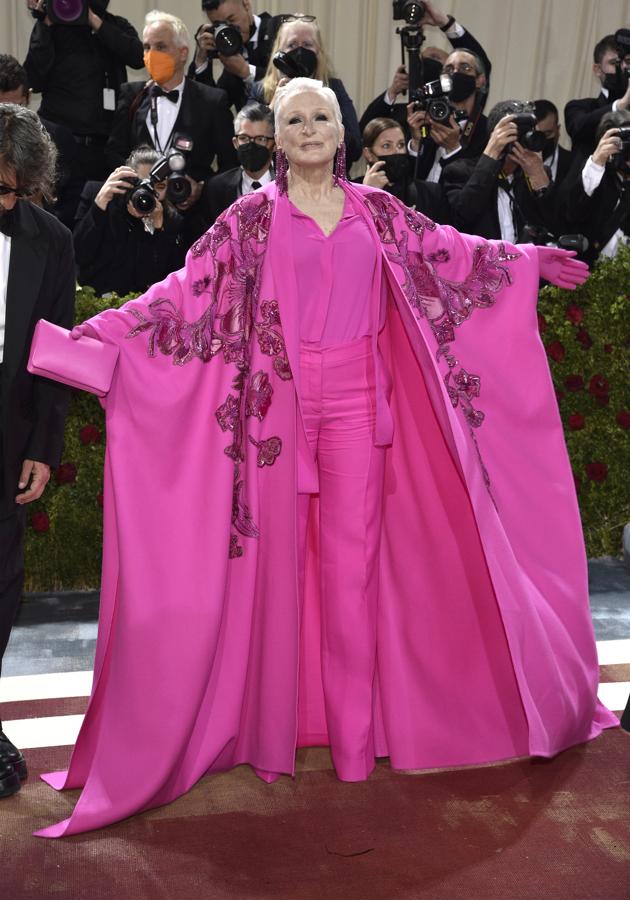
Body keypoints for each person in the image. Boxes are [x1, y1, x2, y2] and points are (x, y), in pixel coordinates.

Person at [33, 78, 616, 839]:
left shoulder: (380, 212)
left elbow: (454, 256)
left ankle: (354, 743)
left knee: (352, 571)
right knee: (271, 572)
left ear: (342, 134)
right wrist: (87, 340)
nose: (309, 129)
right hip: (273, 416)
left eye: (321, 118)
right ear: (276, 139)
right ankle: (270, 729)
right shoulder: (249, 220)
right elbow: (183, 296)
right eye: (294, 120)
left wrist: (528, 260)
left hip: (358, 408)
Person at [0, 105, 75, 800]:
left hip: (9, 432)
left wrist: (44, 448)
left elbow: (55, 358)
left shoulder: (50, 241)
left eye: (18, 191)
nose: (8, 202)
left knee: (1, 585)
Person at [23, 0, 144, 221]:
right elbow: (33, 79)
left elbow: (138, 57)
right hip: (61, 145)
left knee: (102, 219)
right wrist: (46, 22)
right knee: (58, 218)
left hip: (104, 148)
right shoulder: (53, 27)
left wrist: (94, 21)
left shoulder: (114, 25)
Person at [105, 10, 237, 178]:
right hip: (140, 192)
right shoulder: (131, 95)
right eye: (147, 47)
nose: (151, 54)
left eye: (161, 47)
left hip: (191, 194)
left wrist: (202, 187)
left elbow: (229, 165)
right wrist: (135, 180)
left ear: (183, 53)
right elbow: (114, 153)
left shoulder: (212, 100)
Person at [358, 0, 492, 137]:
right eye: (423, 60)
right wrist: (392, 92)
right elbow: (364, 134)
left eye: (436, 58)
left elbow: (478, 61)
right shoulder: (409, 114)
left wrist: (445, 23)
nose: (428, 63)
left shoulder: (471, 115)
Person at [73, 146, 188, 297]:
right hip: (95, 301)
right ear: (126, 180)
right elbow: (79, 255)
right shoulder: (99, 195)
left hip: (140, 304)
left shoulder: (171, 219)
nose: (148, 193)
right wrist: (98, 206)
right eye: (142, 185)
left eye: (159, 187)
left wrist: (158, 230)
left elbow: (157, 281)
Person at [250, 14, 362, 165]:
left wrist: (323, 109)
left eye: (307, 45)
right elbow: (249, 147)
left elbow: (355, 148)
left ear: (319, 52)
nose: (300, 51)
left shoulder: (334, 88)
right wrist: (271, 109)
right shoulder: (260, 90)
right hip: (279, 176)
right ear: (279, 52)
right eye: (292, 45)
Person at [443, 100, 561, 242]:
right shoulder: (461, 171)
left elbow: (556, 226)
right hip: (480, 254)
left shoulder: (536, 173)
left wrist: (539, 177)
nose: (522, 139)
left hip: (525, 255)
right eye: (515, 132)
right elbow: (461, 218)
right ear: (495, 136)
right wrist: (491, 155)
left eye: (528, 132)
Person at [0, 53, 78, 227]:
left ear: (28, 97)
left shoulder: (58, 138)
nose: (5, 119)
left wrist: (39, 205)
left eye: (15, 108)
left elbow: (70, 206)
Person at [558, 110, 630, 264]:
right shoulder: (594, 172)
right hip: (588, 268)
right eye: (624, 145)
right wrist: (597, 162)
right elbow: (573, 211)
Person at [360, 116, 450, 222]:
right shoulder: (351, 192)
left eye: (401, 145)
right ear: (369, 154)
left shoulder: (430, 193)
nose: (397, 151)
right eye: (386, 146)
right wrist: (367, 194)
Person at [190, 0, 275, 111]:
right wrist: (201, 61)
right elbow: (214, 108)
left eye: (231, 20)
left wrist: (245, 71)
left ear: (246, 5)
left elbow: (289, 84)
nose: (228, 30)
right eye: (220, 25)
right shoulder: (231, 53)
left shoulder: (279, 31)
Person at [203, 102, 275, 225]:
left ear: (275, 144)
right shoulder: (215, 189)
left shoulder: (291, 186)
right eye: (244, 138)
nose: (251, 145)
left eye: (260, 139)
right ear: (235, 143)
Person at [565, 33, 630, 157]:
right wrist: (621, 104)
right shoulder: (579, 107)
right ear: (598, 70)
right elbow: (579, 128)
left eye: (627, 62)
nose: (622, 68)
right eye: (614, 63)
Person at [533, 99, 573, 186]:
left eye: (548, 134)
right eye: (537, 135)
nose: (542, 140)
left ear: (558, 130)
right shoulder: (517, 161)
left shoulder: (572, 163)